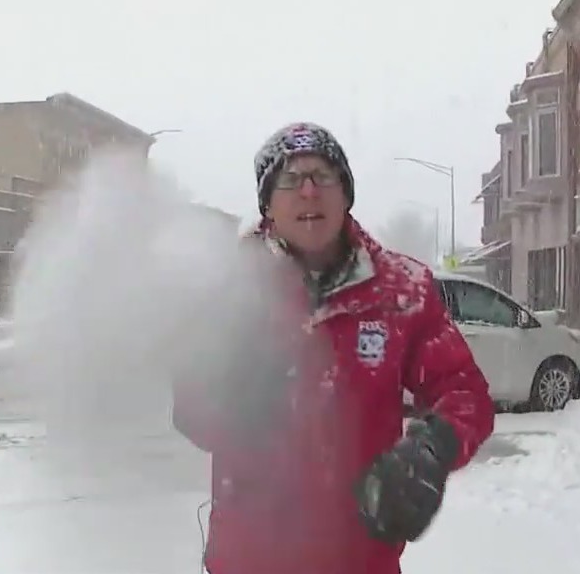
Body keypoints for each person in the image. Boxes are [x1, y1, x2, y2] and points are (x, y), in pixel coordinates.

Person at [171, 122, 495, 574]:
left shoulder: (403, 289)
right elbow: (190, 406)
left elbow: (463, 390)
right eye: (289, 179)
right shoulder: (229, 287)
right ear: (267, 205)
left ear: (346, 195)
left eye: (323, 176)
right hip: (248, 560)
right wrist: (223, 398)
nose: (308, 191)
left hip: (360, 560)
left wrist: (432, 449)